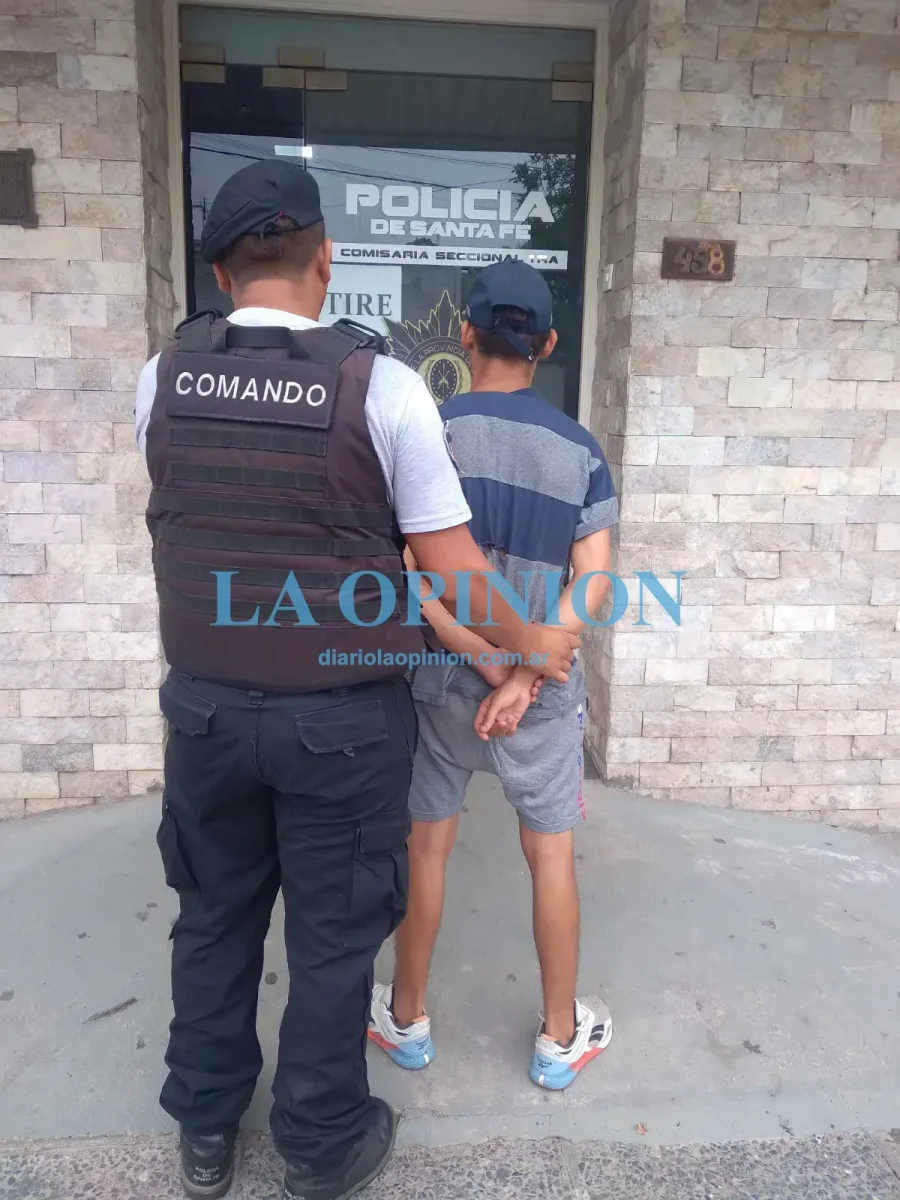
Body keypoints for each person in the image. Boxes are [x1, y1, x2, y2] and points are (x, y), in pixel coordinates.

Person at [135, 162, 579, 1200]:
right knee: (334, 937)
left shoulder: (163, 375)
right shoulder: (381, 388)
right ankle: (319, 1142)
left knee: (213, 918)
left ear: (218, 272)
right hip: (339, 725)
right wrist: (534, 643)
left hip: (204, 714)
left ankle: (206, 1128)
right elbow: (454, 574)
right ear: (326, 260)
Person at [368, 261, 618, 1091]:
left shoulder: (427, 433)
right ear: (548, 344)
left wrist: (476, 652)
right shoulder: (581, 450)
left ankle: (406, 1019)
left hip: (440, 681)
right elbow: (594, 583)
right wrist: (525, 674)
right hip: (541, 695)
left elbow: (411, 572)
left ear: (466, 334)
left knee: (426, 849)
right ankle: (558, 1038)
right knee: (550, 856)